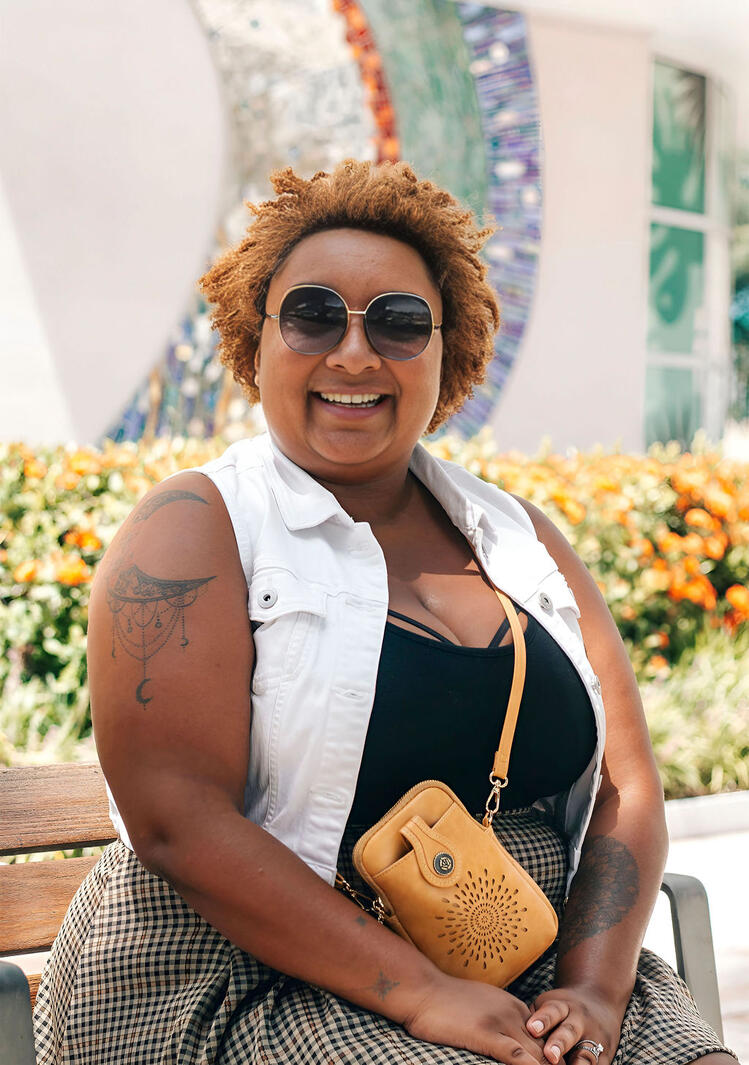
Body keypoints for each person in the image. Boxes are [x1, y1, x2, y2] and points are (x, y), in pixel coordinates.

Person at [34, 160, 737, 1065]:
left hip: (524, 950)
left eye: (400, 324)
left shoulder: (520, 539)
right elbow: (176, 816)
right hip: (243, 972)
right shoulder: (195, 528)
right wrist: (427, 995)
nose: (355, 353)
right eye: (313, 314)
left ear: (450, 353)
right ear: (257, 341)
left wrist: (596, 988)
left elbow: (624, 786)